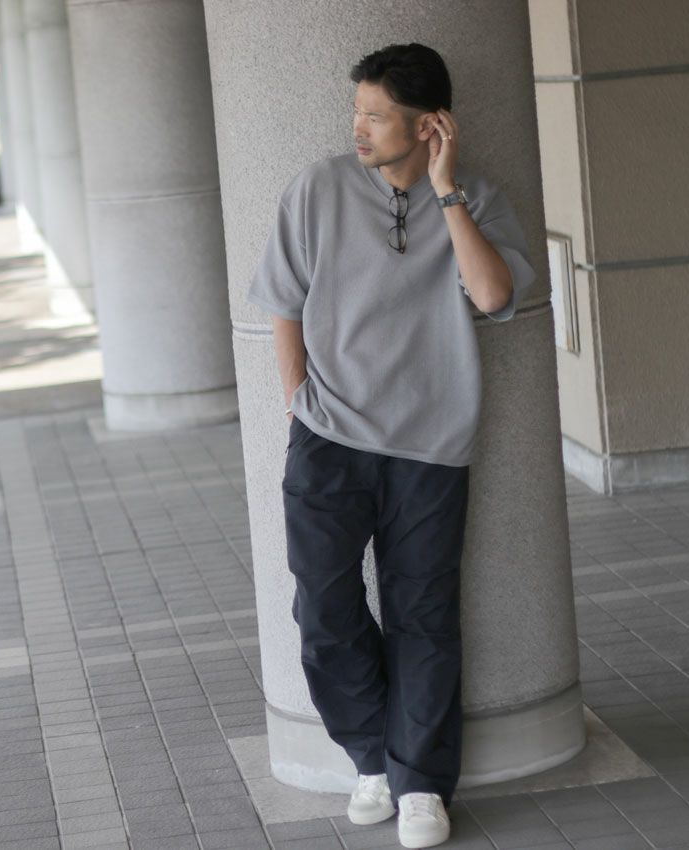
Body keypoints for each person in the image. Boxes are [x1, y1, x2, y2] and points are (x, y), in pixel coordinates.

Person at [246, 42, 537, 849]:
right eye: (359, 111)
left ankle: (420, 784)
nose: (360, 128)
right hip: (329, 436)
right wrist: (298, 401)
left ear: (429, 126)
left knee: (423, 615)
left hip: (431, 444)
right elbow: (282, 301)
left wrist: (447, 191)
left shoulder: (475, 198)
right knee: (323, 606)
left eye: (377, 116)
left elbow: (494, 294)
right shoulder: (317, 189)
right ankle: (373, 755)